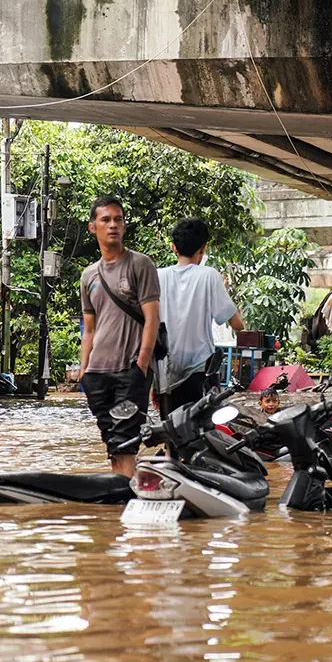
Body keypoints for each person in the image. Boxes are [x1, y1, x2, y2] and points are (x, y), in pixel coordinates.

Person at [79, 196, 161, 478]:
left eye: (118, 219)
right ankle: (117, 507)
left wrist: (142, 364)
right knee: (112, 443)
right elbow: (89, 328)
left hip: (131, 370)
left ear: (124, 226)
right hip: (97, 373)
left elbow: (152, 317)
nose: (113, 225)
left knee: (126, 442)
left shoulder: (141, 264)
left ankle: (123, 505)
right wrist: (83, 370)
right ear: (93, 228)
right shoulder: (88, 275)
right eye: (106, 220)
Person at [154, 218, 244, 419]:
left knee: (172, 432)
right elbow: (237, 325)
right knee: (201, 432)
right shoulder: (209, 276)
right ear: (203, 248)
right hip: (200, 371)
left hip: (165, 374)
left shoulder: (158, 276)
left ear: (173, 247)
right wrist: (225, 292)